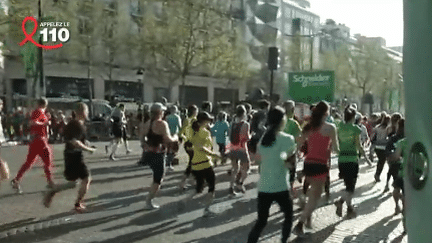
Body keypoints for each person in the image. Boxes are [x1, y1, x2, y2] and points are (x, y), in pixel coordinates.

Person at [247, 106, 296, 243]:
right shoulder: (288, 139)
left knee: (261, 222)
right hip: (280, 186)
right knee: (288, 217)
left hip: (264, 186)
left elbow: (257, 160)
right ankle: (283, 241)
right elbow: (289, 162)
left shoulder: (263, 139)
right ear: (282, 121)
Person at [293, 101, 339, 235]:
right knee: (315, 197)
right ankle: (300, 224)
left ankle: (306, 213)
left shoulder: (309, 127)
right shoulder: (330, 128)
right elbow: (336, 148)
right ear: (327, 113)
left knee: (312, 193)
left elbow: (300, 141)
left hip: (308, 163)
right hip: (321, 163)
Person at [43, 102, 96, 212]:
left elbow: (76, 139)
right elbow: (74, 141)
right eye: (87, 111)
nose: (88, 113)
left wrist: (85, 143)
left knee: (74, 183)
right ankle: (77, 204)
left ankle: (53, 191)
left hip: (71, 155)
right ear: (82, 112)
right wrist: (89, 149)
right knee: (86, 179)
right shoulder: (76, 125)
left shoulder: (76, 124)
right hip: (74, 156)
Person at [179, 111, 220, 217]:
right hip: (205, 163)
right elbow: (202, 148)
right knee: (212, 187)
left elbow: (186, 140)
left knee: (199, 188)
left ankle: (185, 200)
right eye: (208, 120)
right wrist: (215, 155)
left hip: (195, 163)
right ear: (204, 121)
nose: (209, 122)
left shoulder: (190, 130)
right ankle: (207, 209)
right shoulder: (204, 132)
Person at [334, 106, 372, 219]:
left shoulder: (339, 127)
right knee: (351, 188)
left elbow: (336, 143)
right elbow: (358, 146)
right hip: (352, 159)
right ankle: (340, 202)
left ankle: (349, 208)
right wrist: (367, 158)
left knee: (347, 186)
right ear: (354, 116)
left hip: (341, 159)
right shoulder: (356, 129)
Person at [11, 98, 55, 193]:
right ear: (45, 104)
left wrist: (47, 120)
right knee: (47, 159)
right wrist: (45, 123)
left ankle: (16, 180)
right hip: (40, 139)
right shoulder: (38, 112)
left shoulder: (42, 113)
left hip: (36, 140)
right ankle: (50, 181)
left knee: (29, 162)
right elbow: (33, 123)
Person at [141, 103, 178, 209]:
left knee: (155, 177)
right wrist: (175, 137)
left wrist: (144, 145)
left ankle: (149, 197)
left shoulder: (148, 122)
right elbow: (168, 139)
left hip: (148, 153)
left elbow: (142, 136)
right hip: (158, 154)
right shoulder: (162, 124)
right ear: (160, 112)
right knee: (158, 179)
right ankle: (149, 200)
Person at [227, 105, 252, 195]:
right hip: (242, 148)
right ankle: (240, 183)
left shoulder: (232, 124)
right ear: (244, 113)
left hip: (233, 148)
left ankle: (231, 187)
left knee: (235, 169)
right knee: (247, 168)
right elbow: (246, 138)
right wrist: (251, 135)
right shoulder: (245, 124)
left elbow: (229, 136)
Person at [282, 100, 302, 193]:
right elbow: (299, 138)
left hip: (278, 151)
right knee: (291, 171)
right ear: (293, 109)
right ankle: (289, 189)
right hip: (290, 151)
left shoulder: (278, 122)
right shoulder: (294, 123)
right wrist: (298, 150)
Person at [178, 105, 198, 190]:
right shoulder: (194, 120)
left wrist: (185, 138)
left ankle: (193, 180)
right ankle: (183, 182)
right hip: (193, 144)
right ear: (194, 112)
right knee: (192, 163)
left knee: (193, 162)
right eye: (196, 111)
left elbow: (181, 133)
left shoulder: (186, 120)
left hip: (188, 144)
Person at [384, 118, 405, 193]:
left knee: (398, 185)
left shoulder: (394, 137)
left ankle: (398, 202)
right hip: (398, 164)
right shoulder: (408, 138)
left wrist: (390, 158)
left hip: (394, 163)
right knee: (401, 186)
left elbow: (387, 151)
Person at [372, 115, 391, 182]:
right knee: (382, 162)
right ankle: (377, 174)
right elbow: (389, 137)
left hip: (377, 147)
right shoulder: (388, 128)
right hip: (384, 147)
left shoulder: (377, 127)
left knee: (380, 161)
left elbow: (372, 137)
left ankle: (377, 174)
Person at [165, 105, 182, 171]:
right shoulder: (177, 117)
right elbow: (179, 126)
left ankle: (167, 161)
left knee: (168, 148)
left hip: (168, 133)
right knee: (174, 149)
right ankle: (170, 163)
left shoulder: (167, 117)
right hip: (175, 134)